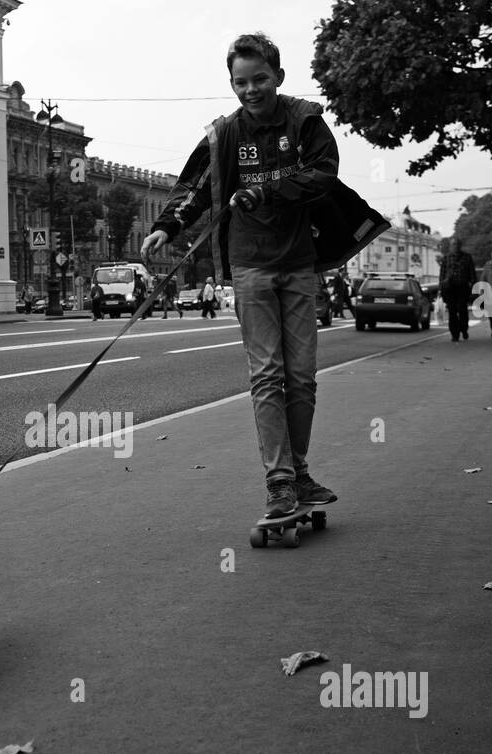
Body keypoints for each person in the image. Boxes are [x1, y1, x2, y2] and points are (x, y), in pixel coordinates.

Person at [142, 32, 388, 517]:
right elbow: (197, 185)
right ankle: (280, 482)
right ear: (231, 83)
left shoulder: (305, 120)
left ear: (278, 76)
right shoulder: (224, 134)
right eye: (240, 82)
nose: (250, 90)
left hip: (299, 262)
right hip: (250, 264)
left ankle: (298, 472)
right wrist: (166, 227)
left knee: (302, 377)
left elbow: (322, 172)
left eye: (259, 80)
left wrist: (267, 192)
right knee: (268, 375)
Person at [439, 237, 476, 341]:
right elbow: (442, 274)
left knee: (462, 309)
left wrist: (473, 286)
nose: (455, 246)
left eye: (457, 244)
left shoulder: (467, 257)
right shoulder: (446, 258)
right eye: (453, 244)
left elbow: (472, 273)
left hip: (462, 287)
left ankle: (464, 329)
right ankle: (454, 334)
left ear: (460, 246)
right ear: (450, 246)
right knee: (452, 311)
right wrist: (441, 288)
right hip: (449, 288)